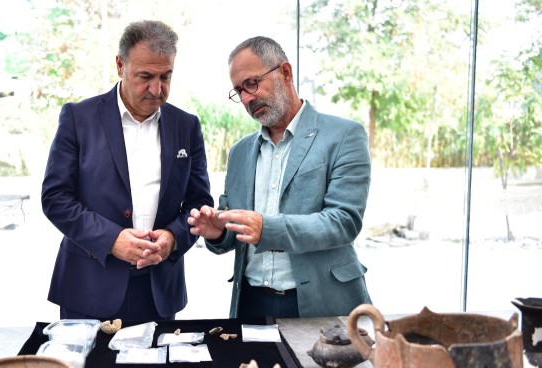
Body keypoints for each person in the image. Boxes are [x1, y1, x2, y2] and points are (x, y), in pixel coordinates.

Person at [188, 36, 372, 319]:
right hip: (250, 304)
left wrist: (267, 229)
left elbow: (343, 222)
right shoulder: (239, 152)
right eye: (239, 91)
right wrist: (219, 232)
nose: (247, 98)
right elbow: (235, 228)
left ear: (285, 72)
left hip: (321, 302)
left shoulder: (344, 135)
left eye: (252, 83)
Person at [41, 20, 213, 321]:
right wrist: (111, 240)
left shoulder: (186, 126)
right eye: (145, 76)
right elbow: (55, 198)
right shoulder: (78, 118)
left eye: (165, 76)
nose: (157, 89)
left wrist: (173, 238)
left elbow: (199, 203)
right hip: (89, 288)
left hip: (159, 292)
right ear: (121, 66)